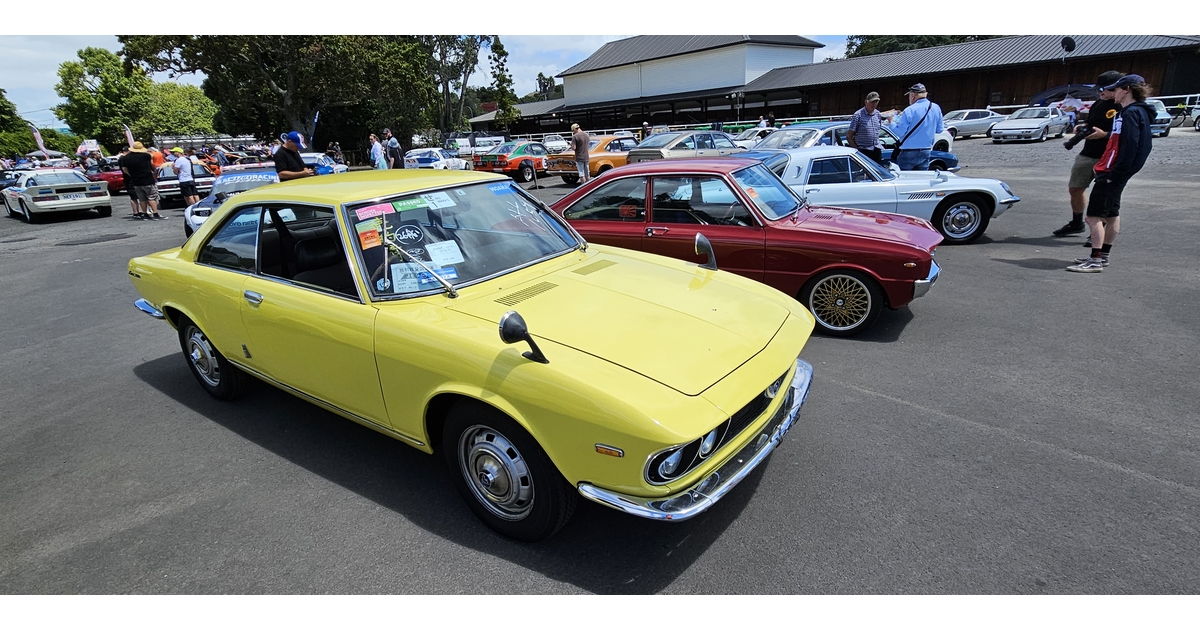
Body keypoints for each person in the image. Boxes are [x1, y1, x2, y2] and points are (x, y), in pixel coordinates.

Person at [1067, 75, 1155, 273]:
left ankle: (1095, 260)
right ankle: (1103, 255)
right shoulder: (1134, 112)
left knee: (1093, 216)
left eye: (1115, 89)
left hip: (1112, 171)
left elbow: (1133, 146)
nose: (1112, 93)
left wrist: (1115, 172)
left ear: (1126, 89)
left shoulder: (1130, 113)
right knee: (1112, 214)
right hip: (1116, 171)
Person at [1054, 71, 1124, 238]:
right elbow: (1090, 122)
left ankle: (1098, 232)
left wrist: (1104, 135)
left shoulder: (1122, 107)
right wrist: (1082, 126)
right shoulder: (1098, 104)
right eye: (1098, 89)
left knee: (1103, 195)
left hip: (1108, 156)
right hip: (1088, 153)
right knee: (1075, 188)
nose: (1100, 92)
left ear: (1116, 88)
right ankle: (1077, 223)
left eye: (1104, 89)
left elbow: (1124, 135)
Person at [883, 82, 944, 171]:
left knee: (905, 181)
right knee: (920, 181)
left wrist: (891, 121)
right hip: (926, 150)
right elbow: (939, 130)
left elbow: (900, 132)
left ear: (913, 96)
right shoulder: (936, 108)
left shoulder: (909, 110)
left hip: (908, 152)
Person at [119, 141, 161, 220]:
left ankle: (145, 214)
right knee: (151, 197)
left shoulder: (126, 158)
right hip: (147, 179)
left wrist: (132, 175)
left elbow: (124, 169)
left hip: (136, 181)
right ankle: (155, 213)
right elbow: (152, 165)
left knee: (142, 198)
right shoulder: (146, 156)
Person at [847, 91, 886, 165]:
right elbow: (849, 136)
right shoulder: (858, 115)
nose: (874, 104)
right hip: (863, 151)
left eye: (876, 102)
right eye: (872, 102)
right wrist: (857, 151)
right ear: (866, 102)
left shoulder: (877, 114)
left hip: (876, 150)